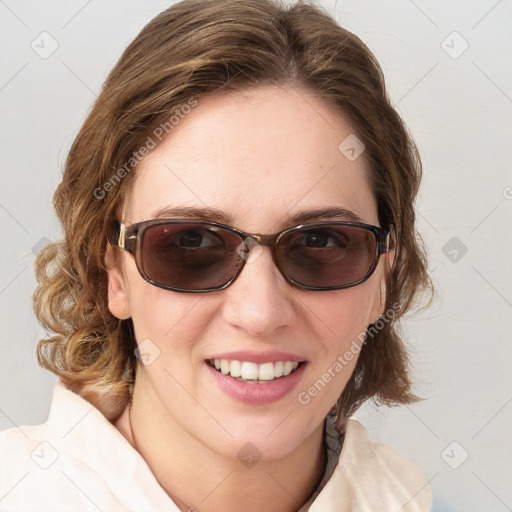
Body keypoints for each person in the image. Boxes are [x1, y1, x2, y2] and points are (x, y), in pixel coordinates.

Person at [0, 0, 434, 510]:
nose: (259, 313)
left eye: (320, 242)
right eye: (191, 242)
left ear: (384, 273)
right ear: (113, 271)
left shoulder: (414, 497)